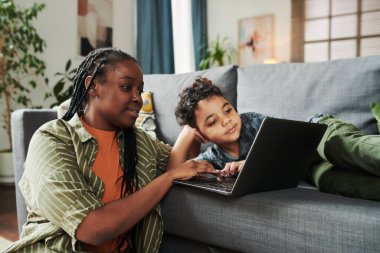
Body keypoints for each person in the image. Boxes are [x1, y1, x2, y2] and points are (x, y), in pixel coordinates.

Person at [4, 48, 218, 253]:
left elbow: (181, 165)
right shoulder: (53, 140)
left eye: (140, 90)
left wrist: (191, 132)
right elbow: (92, 228)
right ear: (93, 86)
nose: (138, 98)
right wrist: (168, 177)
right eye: (127, 87)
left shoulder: (140, 141)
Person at [173, 77, 380, 200]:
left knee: (339, 148)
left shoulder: (253, 122)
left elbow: (293, 138)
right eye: (212, 122)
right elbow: (173, 173)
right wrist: (187, 133)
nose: (227, 121)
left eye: (228, 110)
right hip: (307, 168)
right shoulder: (214, 159)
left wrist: (251, 164)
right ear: (201, 134)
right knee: (331, 181)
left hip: (317, 132)